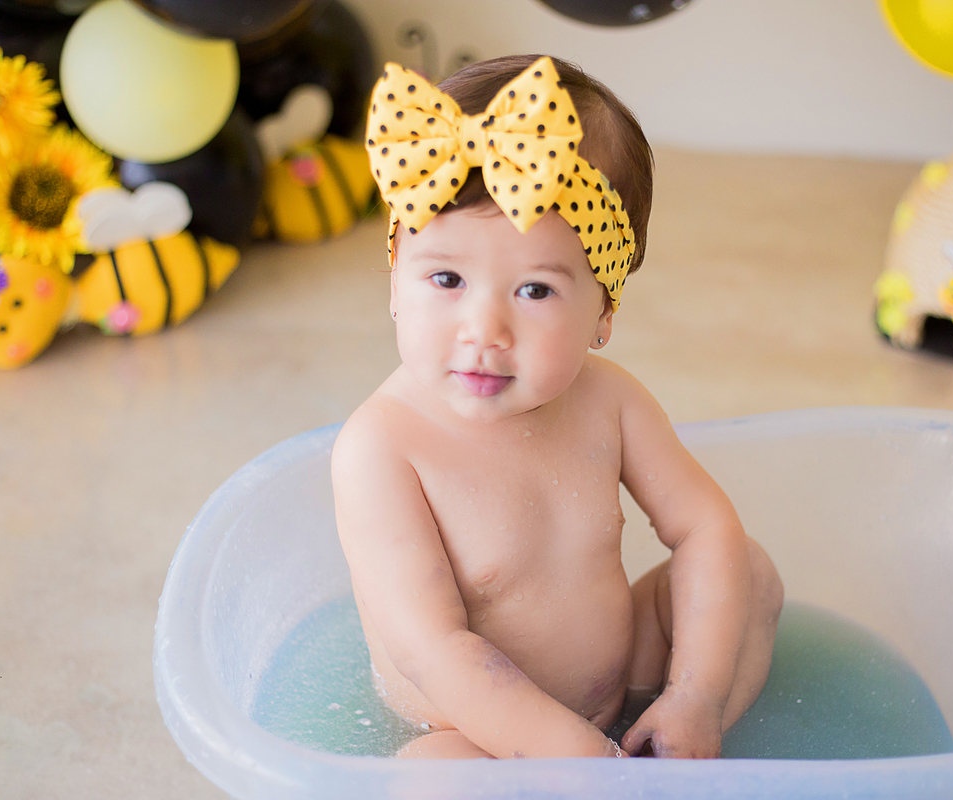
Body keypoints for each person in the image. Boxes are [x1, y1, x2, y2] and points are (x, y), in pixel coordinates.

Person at [332, 53, 783, 760]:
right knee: (430, 776)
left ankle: (681, 741)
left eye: (535, 291)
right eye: (446, 278)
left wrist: (693, 691)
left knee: (747, 572)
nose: (484, 331)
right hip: (470, 729)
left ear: (603, 311)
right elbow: (432, 650)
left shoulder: (611, 400)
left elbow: (705, 529)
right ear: (395, 280)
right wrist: (574, 760)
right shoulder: (383, 447)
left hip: (620, 690)